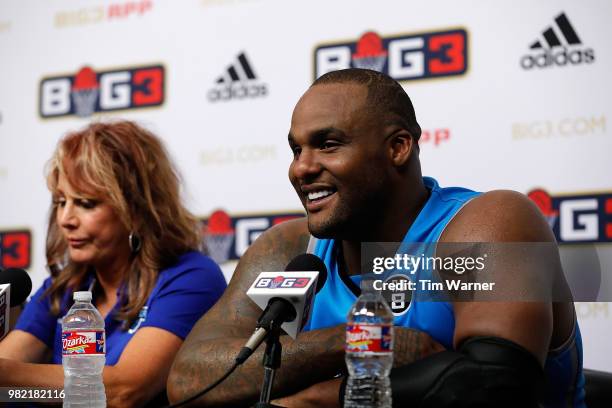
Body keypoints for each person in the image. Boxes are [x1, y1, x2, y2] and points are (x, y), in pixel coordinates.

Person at [167, 69, 585, 407]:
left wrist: (311, 401)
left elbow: (493, 385)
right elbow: (191, 380)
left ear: (399, 147)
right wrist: (352, 340)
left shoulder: (483, 225)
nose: (301, 168)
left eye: (328, 145)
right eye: (296, 150)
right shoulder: (291, 249)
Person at [0, 120, 227, 407]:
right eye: (60, 202)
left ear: (135, 208)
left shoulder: (191, 278)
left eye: (85, 203)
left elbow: (125, 390)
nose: (65, 220)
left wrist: (10, 379)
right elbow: (7, 382)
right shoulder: (64, 287)